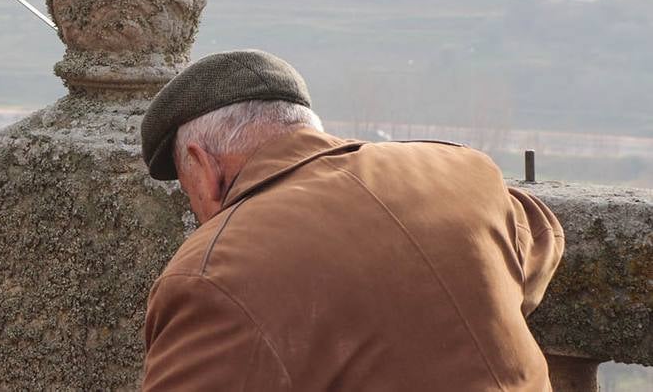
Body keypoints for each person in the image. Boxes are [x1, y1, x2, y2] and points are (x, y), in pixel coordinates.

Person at [138, 49, 564, 391]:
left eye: (184, 183)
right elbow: (542, 236)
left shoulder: (211, 275)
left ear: (202, 165)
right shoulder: (464, 171)